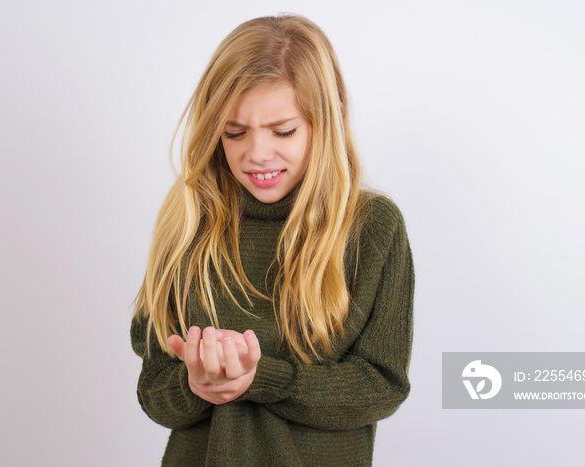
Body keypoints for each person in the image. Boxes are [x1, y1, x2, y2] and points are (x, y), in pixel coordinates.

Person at [131, 14, 414, 466]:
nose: (257, 154)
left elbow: (381, 386)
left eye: (283, 131)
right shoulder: (188, 225)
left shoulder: (372, 228)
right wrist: (195, 385)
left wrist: (260, 379)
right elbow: (153, 394)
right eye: (234, 132)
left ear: (331, 117)